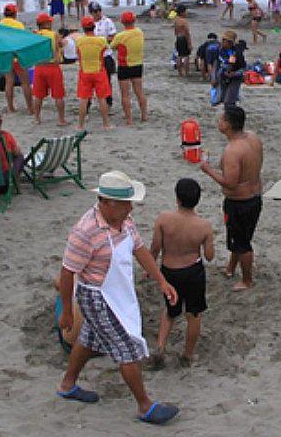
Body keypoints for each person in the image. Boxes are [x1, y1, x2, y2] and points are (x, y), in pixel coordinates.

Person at [56, 171, 181, 425]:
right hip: (96, 295)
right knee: (127, 347)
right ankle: (145, 406)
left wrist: (161, 280)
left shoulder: (125, 221)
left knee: (90, 339)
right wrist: (67, 311)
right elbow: (67, 272)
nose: (131, 207)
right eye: (126, 203)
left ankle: (67, 385)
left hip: (116, 291)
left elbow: (140, 250)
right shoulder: (85, 231)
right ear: (107, 203)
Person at [149, 178, 214, 369]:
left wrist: (150, 268)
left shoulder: (163, 219)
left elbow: (155, 248)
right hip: (192, 272)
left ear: (177, 198)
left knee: (170, 311)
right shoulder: (204, 226)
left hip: (169, 270)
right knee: (193, 314)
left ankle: (160, 347)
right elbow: (209, 256)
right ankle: (187, 355)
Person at [199, 106, 264, 292]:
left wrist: (208, 170)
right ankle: (231, 267)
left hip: (240, 202)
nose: (218, 122)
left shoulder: (233, 150)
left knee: (242, 243)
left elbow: (230, 183)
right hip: (254, 196)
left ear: (228, 124)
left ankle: (247, 280)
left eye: (221, 119)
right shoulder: (253, 138)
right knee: (239, 238)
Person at [110, 12, 148, 125]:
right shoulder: (139, 32)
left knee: (125, 94)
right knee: (139, 91)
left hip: (124, 65)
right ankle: (144, 115)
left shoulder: (121, 36)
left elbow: (111, 46)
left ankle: (129, 119)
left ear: (122, 22)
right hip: (137, 64)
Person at [75, 15, 112, 130]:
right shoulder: (101, 40)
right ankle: (106, 124)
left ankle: (80, 125)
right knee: (102, 98)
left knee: (84, 99)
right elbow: (105, 50)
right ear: (94, 26)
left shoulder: (79, 41)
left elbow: (77, 53)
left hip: (85, 71)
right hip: (98, 71)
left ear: (83, 28)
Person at [32, 13, 69, 125]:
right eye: (49, 21)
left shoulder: (35, 35)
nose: (51, 23)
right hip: (53, 67)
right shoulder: (54, 34)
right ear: (45, 23)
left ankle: (37, 118)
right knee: (58, 95)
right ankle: (61, 120)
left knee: (38, 96)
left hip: (39, 67)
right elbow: (61, 44)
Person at [0, 4, 35, 114]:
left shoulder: (0, 24)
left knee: (9, 81)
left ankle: (10, 107)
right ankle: (30, 108)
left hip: (6, 56)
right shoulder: (18, 25)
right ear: (15, 13)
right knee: (25, 82)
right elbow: (22, 40)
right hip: (17, 56)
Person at [214, 31, 247, 107]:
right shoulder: (220, 50)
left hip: (235, 77)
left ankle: (231, 114)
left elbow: (243, 67)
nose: (222, 42)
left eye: (224, 40)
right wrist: (215, 77)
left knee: (229, 101)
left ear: (230, 42)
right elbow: (216, 63)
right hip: (223, 76)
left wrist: (234, 74)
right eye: (222, 40)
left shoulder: (237, 53)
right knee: (224, 98)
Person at [173, 7, 193, 77]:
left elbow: (175, 31)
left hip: (178, 38)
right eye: (185, 12)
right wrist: (189, 43)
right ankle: (187, 72)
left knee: (179, 56)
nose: (186, 13)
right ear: (182, 12)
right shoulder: (184, 21)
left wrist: (176, 40)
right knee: (187, 56)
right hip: (184, 38)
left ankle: (180, 72)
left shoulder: (176, 20)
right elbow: (187, 32)